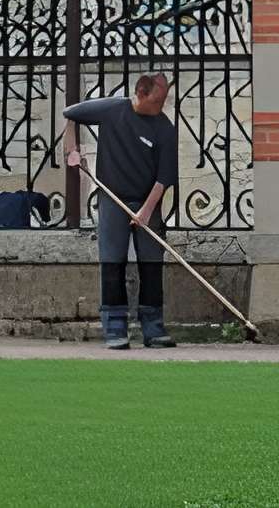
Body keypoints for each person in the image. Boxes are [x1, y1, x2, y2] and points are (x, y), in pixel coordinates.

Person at [63, 73, 180, 349]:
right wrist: (72, 148)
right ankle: (115, 327)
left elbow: (164, 178)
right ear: (141, 92)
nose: (161, 106)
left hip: (146, 200)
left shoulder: (164, 128)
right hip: (112, 200)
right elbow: (70, 114)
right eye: (157, 100)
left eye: (164, 100)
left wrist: (147, 211)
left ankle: (153, 327)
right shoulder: (112, 110)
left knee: (151, 262)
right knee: (112, 261)